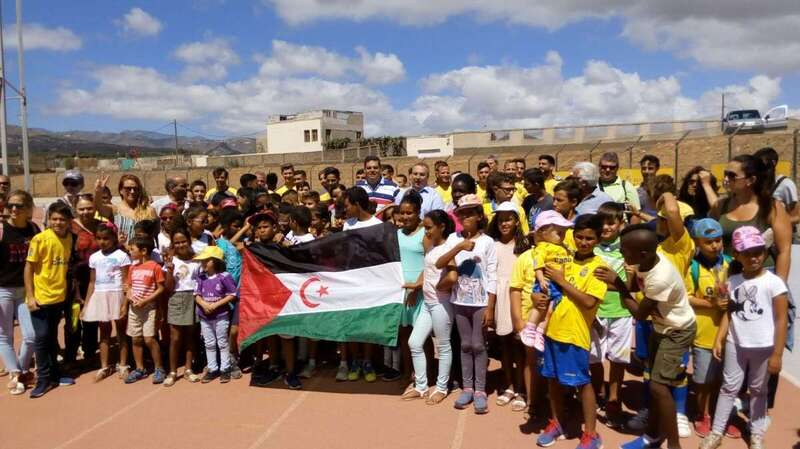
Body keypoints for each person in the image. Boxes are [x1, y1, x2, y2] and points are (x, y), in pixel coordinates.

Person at [699, 227, 788, 449]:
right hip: (736, 344)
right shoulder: (734, 281)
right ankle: (717, 432)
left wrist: (777, 354)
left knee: (759, 390)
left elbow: (780, 319)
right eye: (747, 253)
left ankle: (756, 433)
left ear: (765, 252)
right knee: (728, 387)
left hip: (764, 347)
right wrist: (720, 337)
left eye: (758, 251)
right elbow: (730, 312)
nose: (754, 257)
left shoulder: (774, 282)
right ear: (737, 255)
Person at [614, 225, 696, 449]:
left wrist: (618, 285)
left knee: (659, 388)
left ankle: (674, 445)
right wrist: (621, 283)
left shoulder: (660, 277)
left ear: (643, 253)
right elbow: (634, 287)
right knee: (654, 383)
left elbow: (640, 314)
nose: (622, 253)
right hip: (661, 328)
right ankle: (652, 436)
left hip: (676, 332)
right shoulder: (646, 259)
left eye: (624, 250)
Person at [535, 214, 606, 449]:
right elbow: (542, 286)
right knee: (553, 380)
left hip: (575, 335)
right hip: (552, 330)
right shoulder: (562, 257)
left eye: (589, 238)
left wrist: (562, 282)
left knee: (583, 383)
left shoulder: (599, 268)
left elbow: (588, 302)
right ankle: (557, 422)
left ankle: (592, 434)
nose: (583, 242)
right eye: (579, 237)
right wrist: (538, 296)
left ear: (598, 239)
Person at [435, 193, 497, 415]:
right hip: (459, 300)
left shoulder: (488, 242)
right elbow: (440, 263)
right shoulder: (453, 239)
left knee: (479, 345)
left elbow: (492, 275)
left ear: (480, 216)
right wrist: (460, 247)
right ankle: (467, 387)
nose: (466, 218)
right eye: (462, 215)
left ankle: (480, 390)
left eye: (470, 214)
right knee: (464, 345)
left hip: (480, 303)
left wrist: (490, 306)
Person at [403, 210, 456, 404]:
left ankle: (442, 388)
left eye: (428, 227)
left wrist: (437, 287)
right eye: (424, 227)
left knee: (443, 346)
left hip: (441, 304)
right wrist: (418, 285)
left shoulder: (448, 248)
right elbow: (428, 271)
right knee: (414, 342)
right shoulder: (432, 246)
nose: (425, 231)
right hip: (427, 303)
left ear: (441, 227)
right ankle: (421, 386)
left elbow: (452, 277)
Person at [684, 218, 730, 438]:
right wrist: (711, 304)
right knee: (703, 380)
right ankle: (703, 414)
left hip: (729, 335)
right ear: (697, 243)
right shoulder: (693, 267)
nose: (715, 246)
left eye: (718, 240)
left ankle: (721, 415)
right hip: (703, 334)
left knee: (725, 380)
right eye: (708, 242)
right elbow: (687, 297)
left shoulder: (731, 264)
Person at [25, 201, 76, 398]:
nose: (58, 223)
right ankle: (43, 379)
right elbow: (29, 268)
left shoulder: (70, 238)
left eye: (62, 219)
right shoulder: (40, 239)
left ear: (69, 221)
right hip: (41, 297)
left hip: (59, 297)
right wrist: (30, 296)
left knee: (52, 336)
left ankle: (55, 373)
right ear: (48, 220)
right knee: (42, 337)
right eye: (54, 219)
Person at [588, 202, 632, 429]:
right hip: (595, 311)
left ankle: (614, 398)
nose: (605, 227)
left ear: (620, 224)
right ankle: (598, 393)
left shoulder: (627, 249)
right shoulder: (590, 247)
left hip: (621, 312)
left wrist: (615, 282)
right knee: (594, 357)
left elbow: (633, 286)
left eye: (611, 223)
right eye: (602, 223)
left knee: (617, 358)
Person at [486, 201, 530, 411]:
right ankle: (510, 386)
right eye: (501, 219)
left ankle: (522, 388)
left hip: (518, 299)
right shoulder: (492, 245)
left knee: (519, 346)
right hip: (499, 299)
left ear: (516, 221)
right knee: (504, 345)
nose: (504, 223)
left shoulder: (524, 247)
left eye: (508, 219)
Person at [0, 190, 38, 395]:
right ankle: (15, 373)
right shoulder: (1, 229)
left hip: (26, 289)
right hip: (2, 289)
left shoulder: (33, 229)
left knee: (31, 335)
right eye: (11, 205)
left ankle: (22, 371)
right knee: (4, 335)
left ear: (28, 208)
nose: (14, 209)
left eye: (19, 205)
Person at [82, 222, 131, 382]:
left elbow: (126, 281)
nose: (102, 242)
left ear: (113, 239)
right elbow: (91, 282)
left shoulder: (121, 255)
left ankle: (123, 364)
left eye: (106, 238)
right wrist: (87, 304)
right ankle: (104, 365)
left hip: (117, 294)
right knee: (104, 333)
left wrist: (125, 302)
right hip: (100, 296)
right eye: (99, 238)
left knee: (121, 332)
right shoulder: (94, 257)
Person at [520, 211, 574, 351]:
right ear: (543, 232)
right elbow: (538, 264)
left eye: (564, 232)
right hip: (548, 282)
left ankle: (540, 332)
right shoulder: (543, 248)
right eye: (559, 233)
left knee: (550, 310)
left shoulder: (564, 248)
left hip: (560, 285)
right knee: (541, 307)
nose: (562, 236)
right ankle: (530, 328)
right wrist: (541, 279)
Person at [393, 192, 426, 384]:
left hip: (419, 293)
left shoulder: (425, 234)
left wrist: (417, 287)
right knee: (404, 334)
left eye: (409, 213)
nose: (405, 217)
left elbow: (429, 263)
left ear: (418, 213)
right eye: (402, 213)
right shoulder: (396, 235)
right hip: (401, 292)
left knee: (421, 337)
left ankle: (426, 373)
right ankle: (408, 373)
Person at [123, 237, 166, 385]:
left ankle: (159, 368)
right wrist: (129, 296)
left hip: (149, 309)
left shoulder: (155, 267)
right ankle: (140, 368)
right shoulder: (132, 268)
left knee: (149, 339)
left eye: (132, 249)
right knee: (135, 338)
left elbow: (161, 288)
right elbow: (128, 286)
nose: (130, 252)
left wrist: (146, 301)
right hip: (134, 309)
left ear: (143, 251)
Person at [162, 227, 202, 386]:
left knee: (191, 335)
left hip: (193, 297)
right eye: (176, 243)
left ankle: (188, 369)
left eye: (183, 241)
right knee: (176, 337)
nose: (180, 245)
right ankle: (172, 371)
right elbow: (169, 288)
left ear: (189, 241)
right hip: (177, 298)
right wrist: (170, 270)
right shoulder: (171, 262)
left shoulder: (197, 260)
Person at [193, 246, 238, 384]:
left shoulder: (224, 276)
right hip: (205, 316)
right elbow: (196, 295)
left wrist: (215, 305)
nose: (203, 263)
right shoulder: (201, 277)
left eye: (206, 260)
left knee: (222, 342)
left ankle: (225, 368)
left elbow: (232, 294)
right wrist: (204, 305)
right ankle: (212, 368)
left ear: (215, 261)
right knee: (209, 343)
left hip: (221, 315)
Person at [216, 210, 244, 379]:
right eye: (235, 226)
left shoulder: (244, 243)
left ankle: (234, 355)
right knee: (223, 330)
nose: (238, 229)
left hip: (240, 292)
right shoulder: (220, 244)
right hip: (223, 294)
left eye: (240, 226)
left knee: (235, 330)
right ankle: (227, 360)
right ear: (225, 227)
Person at [95, 174, 156, 245]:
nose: (132, 191)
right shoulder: (115, 209)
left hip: (144, 253)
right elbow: (99, 208)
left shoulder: (149, 210)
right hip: (122, 252)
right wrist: (98, 192)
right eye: (128, 188)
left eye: (135, 188)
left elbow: (156, 234)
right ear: (121, 190)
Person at [755, 146, 800, 229]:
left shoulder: (786, 184)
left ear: (773, 162)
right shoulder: (755, 183)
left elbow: (796, 217)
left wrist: (772, 223)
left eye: (760, 163)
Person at [521, 168, 553, 232]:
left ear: (536, 184)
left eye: (527, 184)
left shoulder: (551, 202)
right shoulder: (527, 200)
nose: (524, 186)